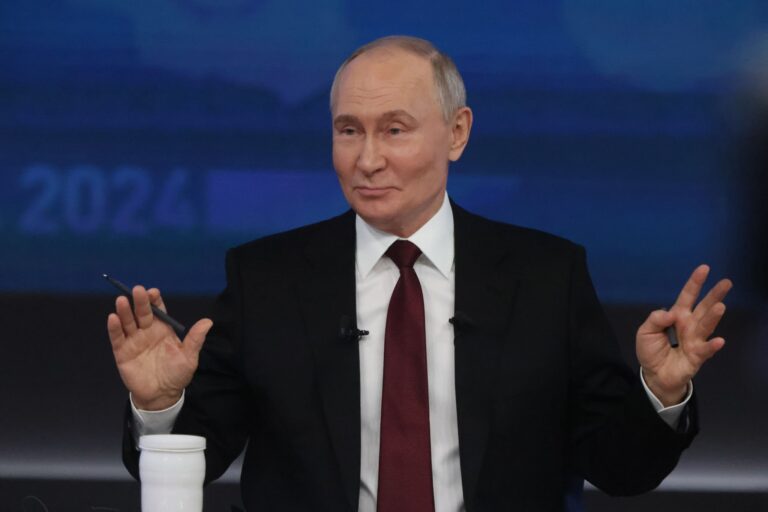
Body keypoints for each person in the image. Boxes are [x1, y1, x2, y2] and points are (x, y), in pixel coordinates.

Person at [108, 36, 732, 511]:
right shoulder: (265, 278)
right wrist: (160, 407)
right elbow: (199, 455)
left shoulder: (546, 276)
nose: (367, 158)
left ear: (456, 133)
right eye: (348, 131)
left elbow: (619, 468)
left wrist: (660, 393)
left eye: (395, 130)